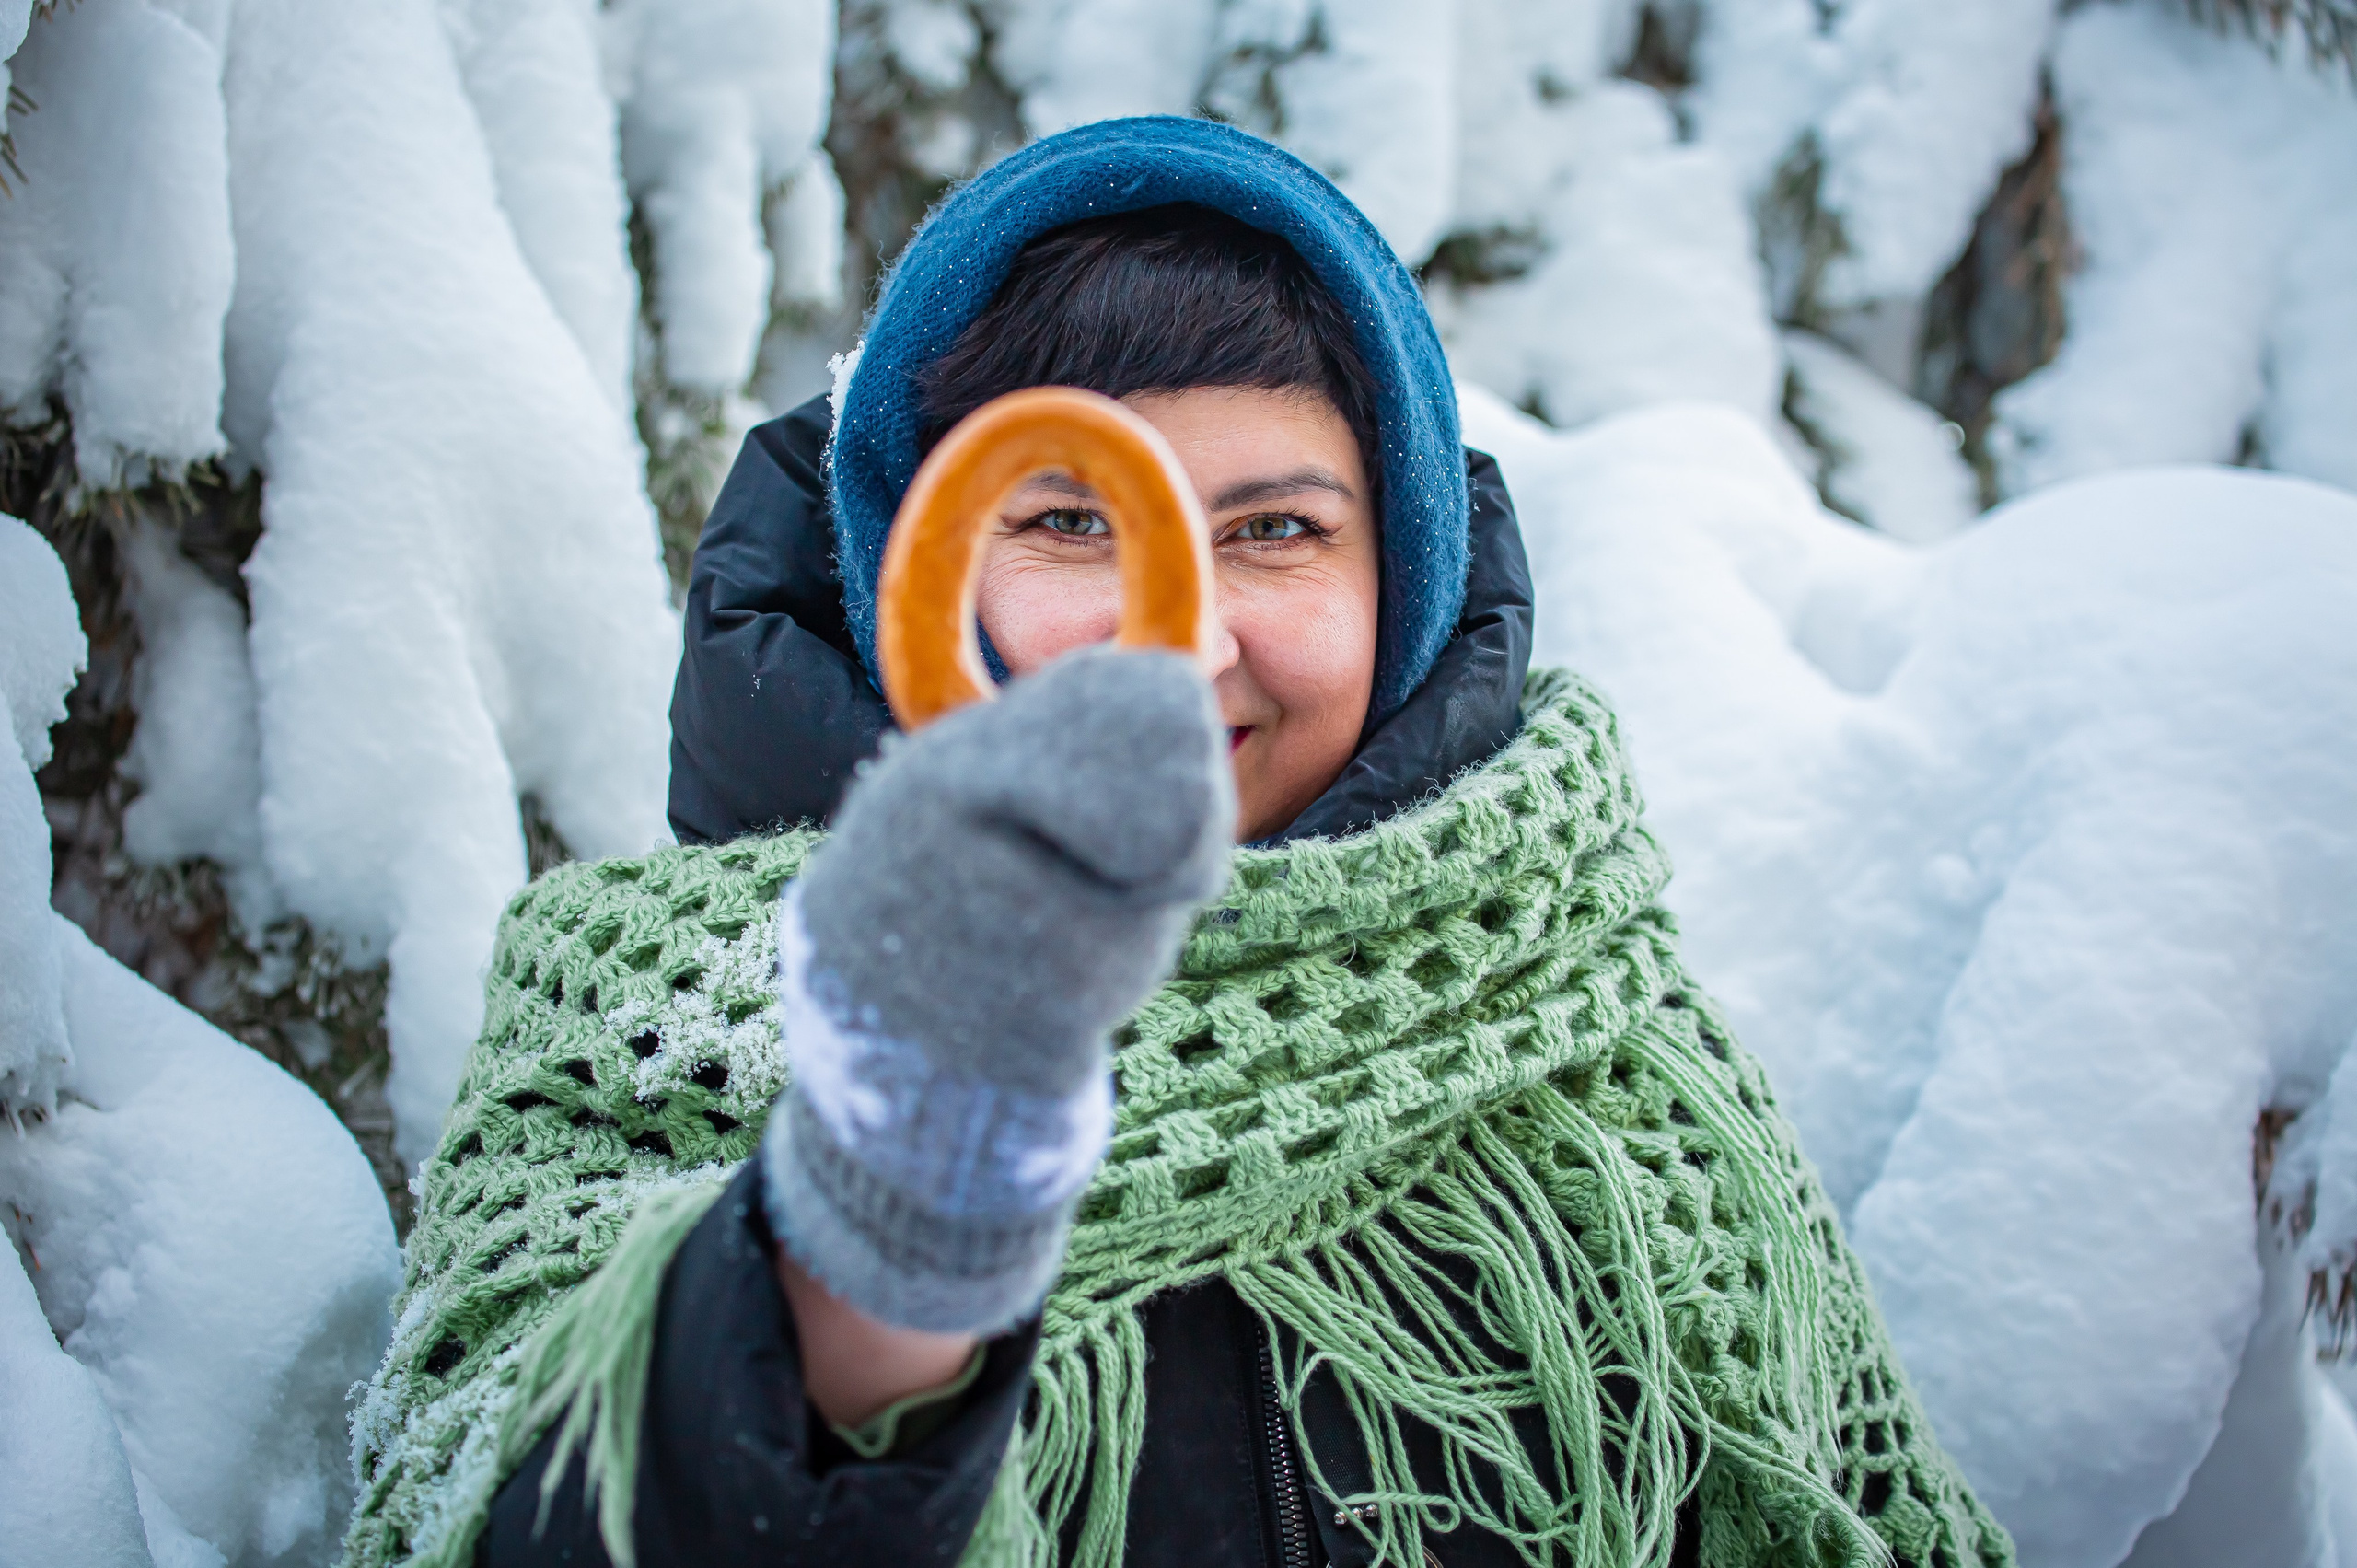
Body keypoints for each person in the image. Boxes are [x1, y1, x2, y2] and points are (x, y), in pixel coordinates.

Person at [341, 118, 2014, 1568]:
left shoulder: (1605, 1059)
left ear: (1403, 585)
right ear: (900, 571)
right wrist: (895, 1187)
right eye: (1073, 518)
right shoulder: (645, 1042)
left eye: (1278, 530)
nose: (1181, 639)